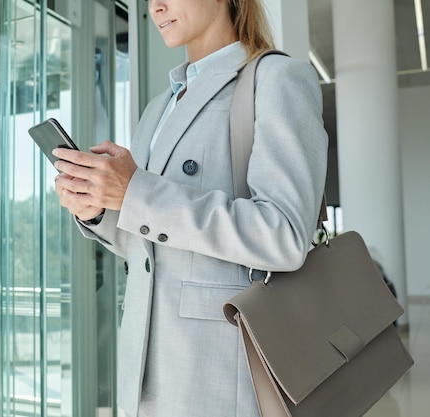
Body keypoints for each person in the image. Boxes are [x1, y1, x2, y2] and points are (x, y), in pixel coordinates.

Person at [53, 0, 328, 416]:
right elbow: (152, 247)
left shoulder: (277, 79)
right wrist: (99, 208)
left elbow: (284, 234)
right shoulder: (157, 108)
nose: (155, 6)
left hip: (219, 371)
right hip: (144, 370)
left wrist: (136, 192)